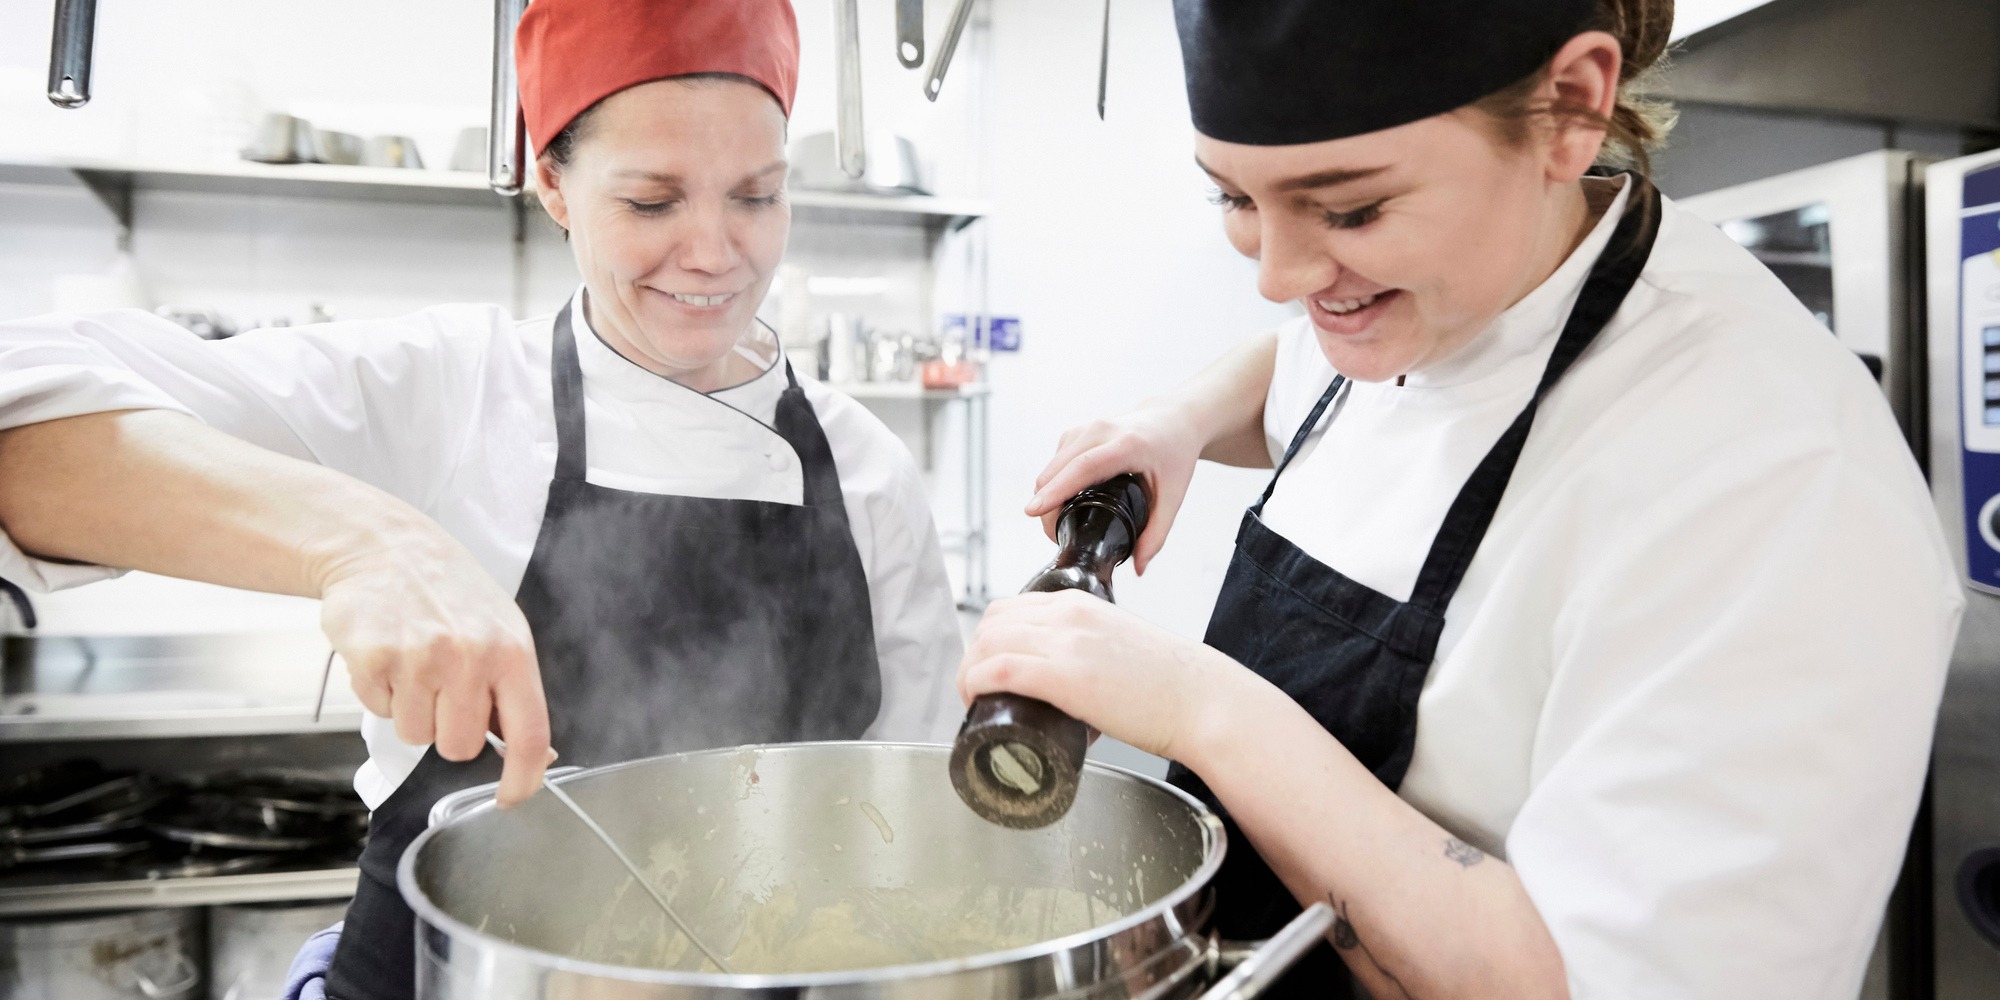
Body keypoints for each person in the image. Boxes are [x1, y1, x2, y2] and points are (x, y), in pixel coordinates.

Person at [958, 0, 1963, 996]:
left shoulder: (1774, 481)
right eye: (1233, 200)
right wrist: (1171, 424)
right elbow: (1291, 362)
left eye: (1349, 208)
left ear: (1569, 108)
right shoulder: (1418, 300)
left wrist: (1198, 707)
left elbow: (1596, 981)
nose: (1276, 274)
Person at [0, 1, 962, 997]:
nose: (716, 252)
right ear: (552, 181)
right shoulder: (446, 390)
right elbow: (19, 412)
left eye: (757, 197)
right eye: (650, 202)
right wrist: (356, 542)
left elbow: (924, 826)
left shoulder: (865, 466)